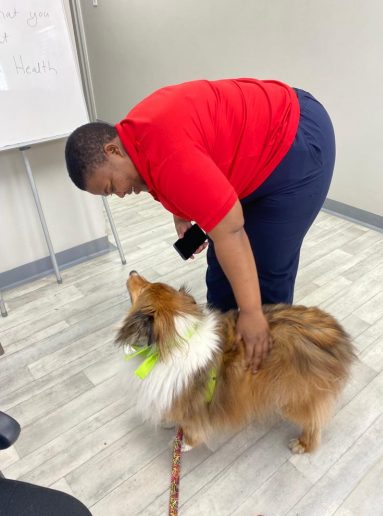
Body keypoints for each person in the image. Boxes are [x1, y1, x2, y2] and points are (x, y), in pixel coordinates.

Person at [65, 78, 335, 374]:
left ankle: (265, 371)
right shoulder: (136, 139)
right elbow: (170, 170)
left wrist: (252, 312)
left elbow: (231, 230)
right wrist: (181, 212)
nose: (117, 194)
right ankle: (222, 360)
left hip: (297, 137)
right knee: (221, 269)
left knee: (267, 269)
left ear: (112, 151)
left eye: (109, 187)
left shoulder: (168, 154)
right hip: (259, 142)